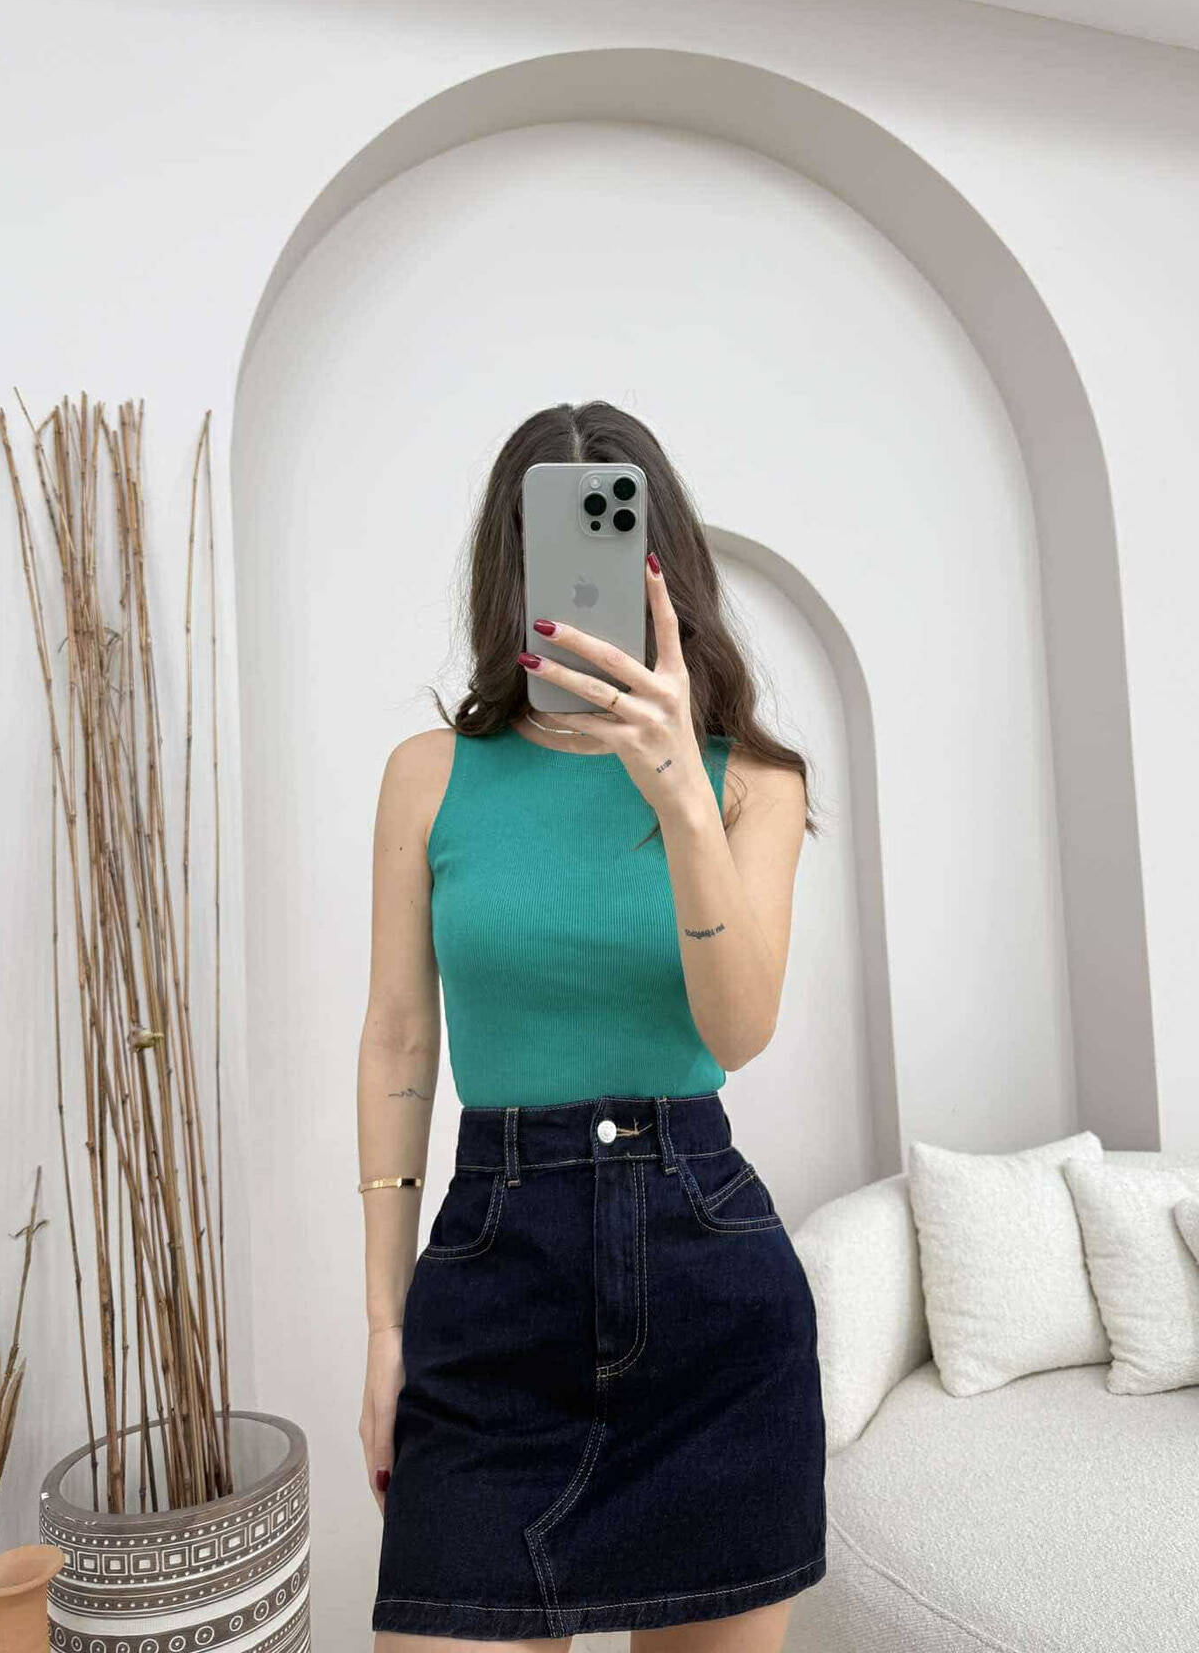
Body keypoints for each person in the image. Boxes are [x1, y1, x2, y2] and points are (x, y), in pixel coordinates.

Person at [359, 401, 826, 1652]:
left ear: (662, 573)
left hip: (710, 1297)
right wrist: (385, 1328)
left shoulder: (752, 783)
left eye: (608, 551)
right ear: (507, 577)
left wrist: (678, 794)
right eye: (547, 556)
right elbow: (399, 1040)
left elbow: (739, 1031)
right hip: (491, 1291)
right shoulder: (428, 776)